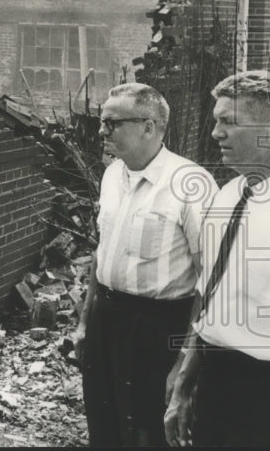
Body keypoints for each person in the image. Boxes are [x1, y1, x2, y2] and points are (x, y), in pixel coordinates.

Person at [164, 70, 270, 447]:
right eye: (216, 121)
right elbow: (212, 295)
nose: (216, 133)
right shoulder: (229, 193)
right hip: (214, 383)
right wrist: (185, 380)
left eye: (229, 122)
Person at [75, 82, 217, 446]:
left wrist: (186, 363)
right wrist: (85, 323)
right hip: (106, 319)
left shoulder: (191, 184)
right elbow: (101, 252)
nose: (102, 131)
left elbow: (211, 280)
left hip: (158, 328)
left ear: (149, 127)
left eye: (111, 123)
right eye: (101, 122)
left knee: (148, 434)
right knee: (104, 426)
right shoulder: (112, 175)